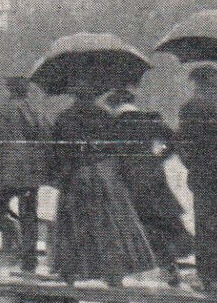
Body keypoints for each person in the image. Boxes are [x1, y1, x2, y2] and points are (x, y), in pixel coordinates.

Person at [48, 80, 157, 284]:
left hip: (76, 177)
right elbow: (118, 150)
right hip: (105, 176)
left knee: (74, 228)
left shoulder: (64, 118)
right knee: (110, 225)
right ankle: (113, 275)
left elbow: (56, 154)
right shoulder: (106, 116)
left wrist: (60, 176)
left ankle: (71, 274)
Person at [105, 89, 188, 285]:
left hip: (126, 178)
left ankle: (132, 271)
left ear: (114, 105)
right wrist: (160, 157)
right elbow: (175, 139)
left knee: (132, 223)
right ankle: (170, 268)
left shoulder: (113, 124)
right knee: (161, 222)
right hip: (152, 176)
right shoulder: (149, 119)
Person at [0, 77, 50, 271]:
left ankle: (18, 241)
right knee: (29, 213)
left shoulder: (2, 111)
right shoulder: (35, 111)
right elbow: (46, 136)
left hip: (8, 172)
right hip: (29, 172)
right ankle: (28, 256)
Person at [175, 65, 217, 291]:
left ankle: (209, 273)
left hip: (203, 174)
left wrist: (193, 165)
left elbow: (182, 143)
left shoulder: (189, 108)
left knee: (205, 224)